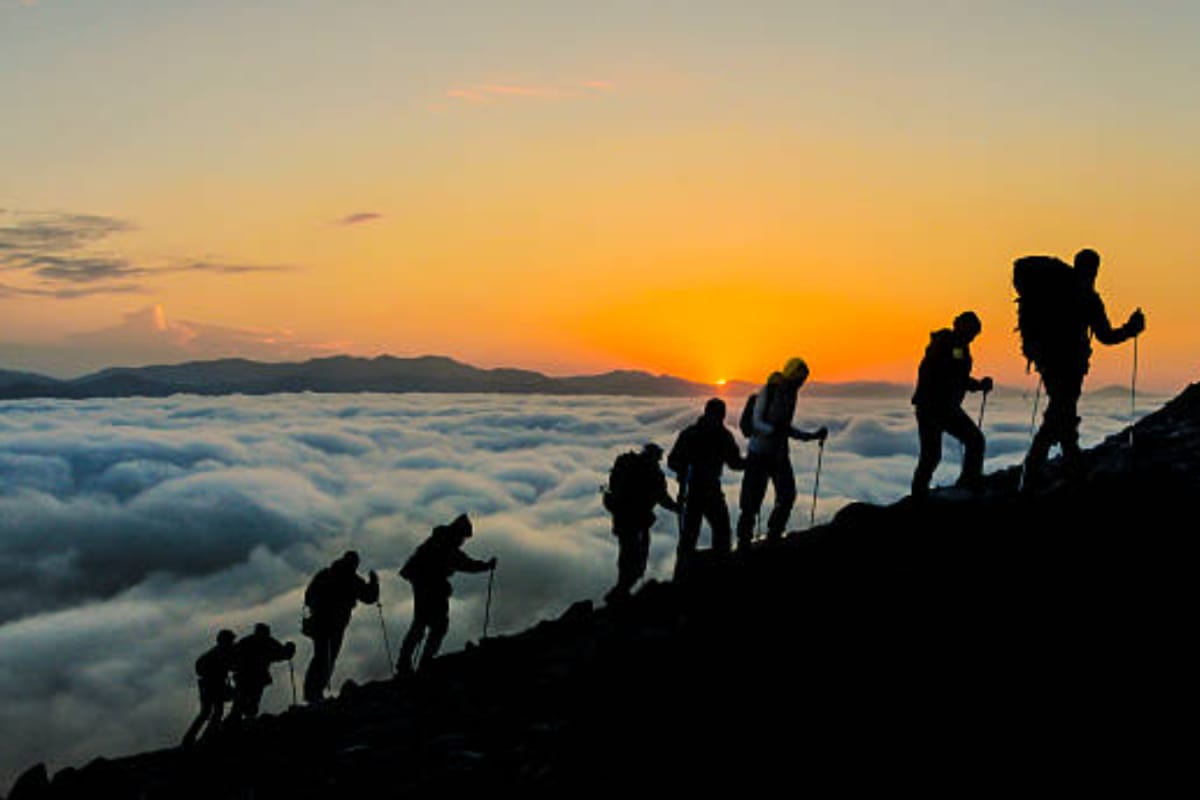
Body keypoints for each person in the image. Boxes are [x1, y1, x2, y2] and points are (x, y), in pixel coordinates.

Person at [1022, 248, 1145, 488]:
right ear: (1095, 269)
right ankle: (1038, 473)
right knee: (1059, 415)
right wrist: (1131, 329)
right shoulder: (1089, 298)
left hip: (1050, 365)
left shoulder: (1056, 292)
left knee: (1062, 414)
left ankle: (1067, 468)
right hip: (1071, 367)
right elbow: (1106, 336)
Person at [735, 358, 828, 549]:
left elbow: (785, 428)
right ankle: (746, 540)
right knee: (752, 502)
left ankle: (774, 533)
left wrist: (811, 436)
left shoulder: (791, 395)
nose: (802, 383)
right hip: (760, 453)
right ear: (792, 376)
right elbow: (756, 422)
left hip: (777, 453)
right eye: (800, 379)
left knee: (786, 496)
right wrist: (774, 431)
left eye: (803, 380)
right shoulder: (768, 391)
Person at [396, 513, 496, 675]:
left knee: (421, 624)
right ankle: (423, 662)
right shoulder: (445, 545)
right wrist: (486, 566)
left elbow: (460, 561)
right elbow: (464, 563)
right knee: (436, 625)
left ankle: (406, 663)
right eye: (463, 537)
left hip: (424, 585)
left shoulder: (440, 540)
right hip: (431, 587)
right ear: (458, 532)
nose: (463, 541)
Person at [910, 311, 994, 498]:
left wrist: (977, 384)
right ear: (963, 328)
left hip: (933, 407)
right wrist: (979, 385)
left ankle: (919, 494)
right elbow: (956, 375)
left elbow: (957, 375)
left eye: (974, 334)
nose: (972, 337)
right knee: (973, 441)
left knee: (932, 454)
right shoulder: (952, 345)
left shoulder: (951, 345)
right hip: (938, 407)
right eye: (972, 332)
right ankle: (967, 481)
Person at [667, 398, 746, 580]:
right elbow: (735, 463)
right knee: (717, 532)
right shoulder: (721, 435)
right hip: (704, 490)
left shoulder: (691, 433)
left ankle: (682, 576)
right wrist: (751, 463)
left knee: (693, 535)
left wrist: (684, 470)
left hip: (697, 490)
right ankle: (718, 571)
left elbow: (673, 461)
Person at [601, 443, 679, 603]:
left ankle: (621, 589)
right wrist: (677, 508)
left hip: (622, 517)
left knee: (627, 554)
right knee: (636, 557)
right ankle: (620, 592)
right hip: (637, 520)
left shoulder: (627, 464)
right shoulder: (653, 473)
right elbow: (662, 497)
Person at [302, 550, 379, 703]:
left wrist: (317, 608)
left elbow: (308, 596)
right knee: (328, 658)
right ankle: (316, 692)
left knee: (320, 657)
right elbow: (369, 597)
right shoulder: (353, 580)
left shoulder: (326, 574)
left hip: (320, 623)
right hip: (336, 625)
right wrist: (374, 582)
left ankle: (312, 693)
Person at [228, 623, 296, 722]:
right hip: (254, 678)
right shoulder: (268, 642)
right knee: (249, 700)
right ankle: (243, 719)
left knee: (243, 701)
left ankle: (237, 720)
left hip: (246, 677)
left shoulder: (248, 641)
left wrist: (288, 651)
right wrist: (289, 650)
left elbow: (233, 655)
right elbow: (281, 653)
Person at [181, 628, 236, 747]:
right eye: (231, 640)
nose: (232, 642)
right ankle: (208, 736)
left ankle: (191, 738)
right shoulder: (221, 653)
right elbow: (231, 666)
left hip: (208, 685)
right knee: (216, 711)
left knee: (206, 712)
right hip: (214, 686)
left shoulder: (215, 652)